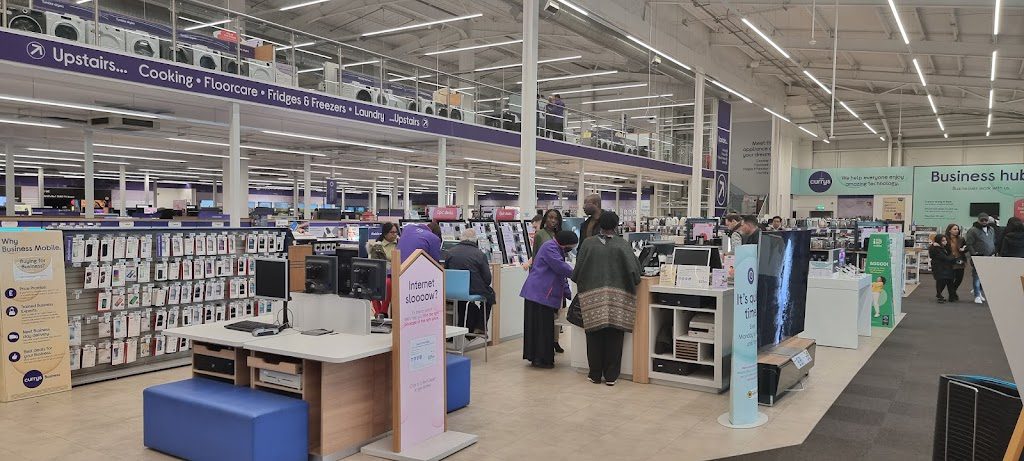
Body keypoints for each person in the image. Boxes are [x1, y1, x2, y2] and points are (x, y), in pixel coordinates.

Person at [572, 212, 641, 386]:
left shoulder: (588, 244)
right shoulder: (622, 245)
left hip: (592, 297)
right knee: (614, 337)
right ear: (616, 225)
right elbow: (635, 273)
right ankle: (611, 376)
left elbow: (577, 272)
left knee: (594, 336)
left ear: (599, 225)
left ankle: (595, 374)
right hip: (618, 300)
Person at [520, 230, 578, 368]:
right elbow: (561, 268)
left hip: (541, 294)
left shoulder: (556, 249)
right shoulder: (549, 247)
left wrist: (570, 295)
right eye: (571, 246)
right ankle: (539, 359)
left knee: (543, 328)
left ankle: (540, 357)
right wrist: (579, 274)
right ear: (565, 244)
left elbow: (561, 276)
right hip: (539, 293)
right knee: (540, 328)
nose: (571, 249)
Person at [444, 229, 497, 341]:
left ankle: (460, 326)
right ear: (475, 240)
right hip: (471, 290)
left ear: (461, 238)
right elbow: (487, 279)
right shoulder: (480, 254)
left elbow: (446, 271)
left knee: (461, 300)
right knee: (490, 295)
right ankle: (481, 327)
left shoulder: (450, 252)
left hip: (452, 291)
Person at [531, 209, 565, 353]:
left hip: (558, 276)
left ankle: (555, 340)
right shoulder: (540, 234)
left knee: (558, 312)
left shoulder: (559, 235)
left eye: (555, 218)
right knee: (546, 314)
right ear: (545, 219)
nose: (553, 220)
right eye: (550, 217)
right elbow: (536, 256)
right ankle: (546, 343)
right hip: (544, 278)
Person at [367, 222, 399, 317]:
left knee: (388, 283)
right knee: (372, 284)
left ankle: (383, 311)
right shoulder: (377, 246)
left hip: (395, 273)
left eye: (396, 232)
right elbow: (374, 263)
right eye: (392, 232)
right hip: (381, 273)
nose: (394, 234)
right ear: (385, 233)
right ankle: (378, 312)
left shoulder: (400, 244)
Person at [965, 213, 996, 304]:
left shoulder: (991, 229)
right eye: (982, 220)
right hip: (978, 256)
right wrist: (974, 254)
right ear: (978, 220)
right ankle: (977, 295)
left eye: (985, 220)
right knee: (977, 277)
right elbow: (969, 244)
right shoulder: (972, 230)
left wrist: (994, 251)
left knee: (985, 277)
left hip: (989, 256)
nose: (984, 222)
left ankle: (978, 291)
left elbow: (993, 241)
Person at [929, 234, 960, 304]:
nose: (945, 242)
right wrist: (954, 258)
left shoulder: (942, 247)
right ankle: (940, 295)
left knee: (946, 281)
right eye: (943, 240)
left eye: (945, 240)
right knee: (941, 282)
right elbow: (944, 258)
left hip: (944, 267)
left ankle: (944, 296)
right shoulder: (936, 248)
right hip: (940, 268)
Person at [945, 223, 967, 302]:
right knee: (950, 279)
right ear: (949, 230)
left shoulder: (961, 239)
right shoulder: (945, 239)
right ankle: (952, 295)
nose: (956, 231)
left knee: (959, 279)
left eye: (957, 229)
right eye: (954, 229)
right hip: (949, 261)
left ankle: (953, 292)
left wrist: (964, 249)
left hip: (960, 260)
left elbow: (966, 247)